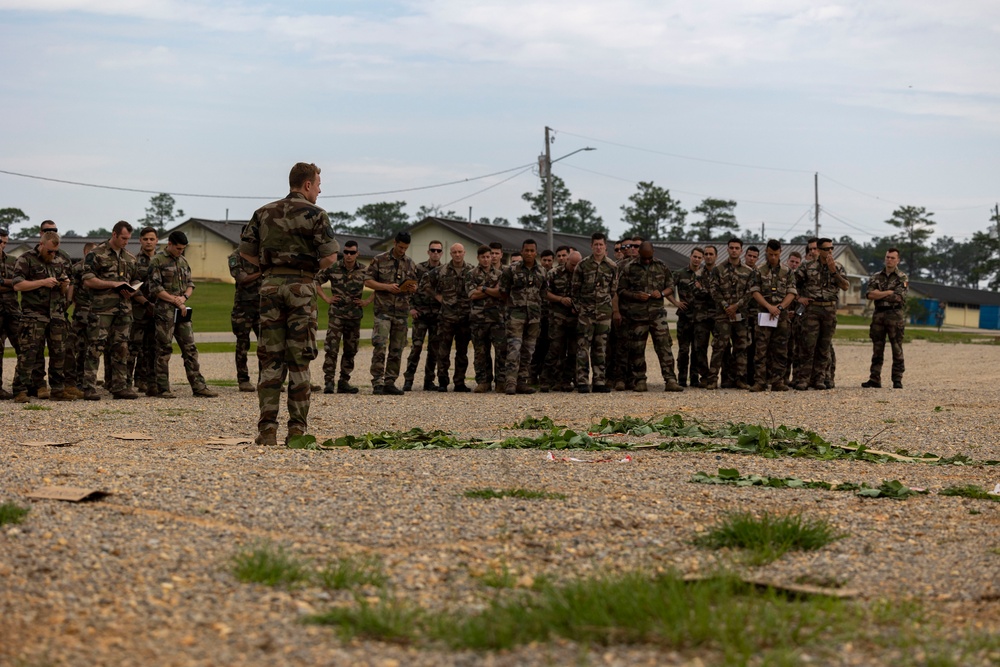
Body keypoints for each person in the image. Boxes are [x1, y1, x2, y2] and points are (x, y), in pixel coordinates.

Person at [239, 163, 338, 446]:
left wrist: (273, 266)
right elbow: (330, 258)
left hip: (269, 287)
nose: (320, 190)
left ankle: (267, 430)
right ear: (307, 184)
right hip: (302, 289)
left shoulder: (263, 212)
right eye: (318, 184)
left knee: (270, 360)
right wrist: (305, 269)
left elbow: (246, 253)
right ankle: (296, 430)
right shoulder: (317, 215)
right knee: (299, 360)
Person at [82, 221, 151, 400]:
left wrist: (133, 289)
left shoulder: (130, 258)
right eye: (123, 238)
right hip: (102, 309)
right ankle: (88, 387)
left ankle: (119, 386)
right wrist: (113, 284)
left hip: (124, 310)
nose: (126, 242)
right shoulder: (96, 254)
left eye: (128, 239)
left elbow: (136, 279)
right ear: (114, 235)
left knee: (121, 347)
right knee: (95, 347)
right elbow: (88, 280)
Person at [148, 231, 219, 400]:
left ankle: (198, 386)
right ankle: (163, 388)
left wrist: (184, 298)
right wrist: (175, 300)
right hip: (165, 312)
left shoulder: (183, 261)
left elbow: (190, 285)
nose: (181, 251)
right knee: (164, 349)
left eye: (183, 249)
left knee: (190, 348)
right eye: (178, 248)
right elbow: (155, 288)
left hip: (182, 311)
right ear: (170, 244)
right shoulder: (157, 261)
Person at [12, 231, 71, 402]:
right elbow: (17, 285)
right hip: (34, 315)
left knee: (59, 353)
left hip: (56, 315)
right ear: (42, 244)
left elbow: (63, 289)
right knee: (29, 354)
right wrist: (42, 282)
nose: (52, 255)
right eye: (49, 251)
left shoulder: (59, 261)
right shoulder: (26, 259)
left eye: (55, 251)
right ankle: (20, 389)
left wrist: (64, 285)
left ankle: (58, 389)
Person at [618, 241, 684, 392]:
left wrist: (660, 293)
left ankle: (670, 380)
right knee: (637, 348)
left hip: (657, 314)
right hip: (638, 315)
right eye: (644, 258)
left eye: (649, 258)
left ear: (653, 252)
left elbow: (670, 286)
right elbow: (621, 290)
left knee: (664, 347)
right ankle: (640, 380)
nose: (647, 261)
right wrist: (635, 295)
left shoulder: (661, 266)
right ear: (639, 253)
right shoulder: (629, 268)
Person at [793, 238, 849, 391]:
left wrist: (833, 272)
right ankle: (803, 379)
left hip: (829, 309)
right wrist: (799, 298)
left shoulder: (837, 267)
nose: (830, 251)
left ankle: (820, 379)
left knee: (824, 347)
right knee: (808, 345)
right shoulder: (807, 267)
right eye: (826, 249)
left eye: (831, 248)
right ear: (818, 250)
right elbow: (791, 284)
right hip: (812, 309)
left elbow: (845, 286)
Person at [365, 231, 417, 395]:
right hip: (383, 311)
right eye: (400, 247)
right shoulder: (379, 259)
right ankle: (377, 382)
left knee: (397, 348)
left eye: (405, 248)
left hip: (401, 312)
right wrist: (386, 287)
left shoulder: (410, 263)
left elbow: (414, 284)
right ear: (394, 243)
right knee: (380, 345)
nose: (402, 251)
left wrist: (413, 288)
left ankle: (390, 381)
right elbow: (367, 281)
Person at [317, 239, 370, 394]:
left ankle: (344, 381)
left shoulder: (364, 270)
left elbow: (378, 285)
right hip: (336, 316)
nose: (348, 255)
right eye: (346, 252)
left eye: (352, 252)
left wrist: (367, 301)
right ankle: (328, 382)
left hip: (354, 316)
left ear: (357, 254)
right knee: (331, 349)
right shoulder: (334, 268)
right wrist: (326, 298)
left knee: (350, 349)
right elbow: (316, 281)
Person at [703, 238, 754, 390]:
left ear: (741, 251)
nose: (734, 250)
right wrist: (726, 306)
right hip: (723, 315)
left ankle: (740, 379)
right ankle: (712, 380)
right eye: (731, 247)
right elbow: (714, 290)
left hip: (740, 315)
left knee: (741, 348)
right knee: (719, 347)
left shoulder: (748, 271)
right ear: (727, 249)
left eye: (737, 248)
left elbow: (750, 292)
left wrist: (736, 306)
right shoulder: (718, 270)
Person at [571, 232, 618, 393]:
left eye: (601, 245)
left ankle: (599, 381)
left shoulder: (612, 266)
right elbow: (575, 290)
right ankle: (582, 381)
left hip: (604, 313)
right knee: (583, 347)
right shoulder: (582, 265)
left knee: (601, 348)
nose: (598, 247)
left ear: (606, 247)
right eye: (595, 245)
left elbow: (612, 290)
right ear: (591, 246)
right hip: (586, 313)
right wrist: (580, 309)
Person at [498, 238, 545, 394]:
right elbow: (503, 292)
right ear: (522, 251)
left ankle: (522, 382)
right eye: (527, 250)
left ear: (536, 252)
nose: (529, 253)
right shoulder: (511, 270)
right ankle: (510, 382)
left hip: (534, 317)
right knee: (514, 349)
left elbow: (543, 293)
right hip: (515, 316)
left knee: (528, 350)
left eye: (532, 251)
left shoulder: (542, 271)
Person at [748, 240, 796, 392]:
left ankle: (778, 381)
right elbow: (755, 291)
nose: (773, 257)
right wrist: (768, 306)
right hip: (764, 313)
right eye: (770, 254)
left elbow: (792, 292)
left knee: (780, 349)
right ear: (766, 252)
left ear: (780, 252)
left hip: (780, 316)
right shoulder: (759, 270)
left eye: (775, 254)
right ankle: (760, 381)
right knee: (761, 349)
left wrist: (780, 307)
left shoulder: (787, 271)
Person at [430, 243, 473, 392]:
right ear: (450, 253)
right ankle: (442, 381)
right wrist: (438, 297)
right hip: (447, 317)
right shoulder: (441, 271)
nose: (457, 255)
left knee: (462, 352)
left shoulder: (472, 270)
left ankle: (459, 382)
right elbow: (425, 284)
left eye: (460, 252)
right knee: (443, 351)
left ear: (464, 252)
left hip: (465, 318)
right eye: (454, 252)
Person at [863, 248, 908, 389]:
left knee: (896, 348)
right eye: (887, 257)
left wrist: (879, 293)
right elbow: (869, 295)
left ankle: (897, 379)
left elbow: (899, 297)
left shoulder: (902, 277)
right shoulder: (876, 276)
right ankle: (874, 378)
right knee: (877, 348)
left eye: (892, 258)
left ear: (898, 260)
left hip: (895, 315)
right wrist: (888, 292)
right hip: (879, 315)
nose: (889, 260)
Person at [402, 240, 443, 391]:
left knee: (434, 350)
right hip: (420, 314)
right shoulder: (418, 268)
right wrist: (411, 308)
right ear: (428, 252)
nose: (435, 253)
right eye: (433, 250)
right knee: (416, 348)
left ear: (442, 253)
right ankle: (408, 379)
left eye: (438, 251)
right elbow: (408, 288)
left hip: (437, 316)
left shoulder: (444, 270)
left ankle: (429, 381)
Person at [466, 245, 505, 392]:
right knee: (481, 352)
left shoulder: (501, 274)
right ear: (478, 258)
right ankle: (483, 381)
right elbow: (472, 295)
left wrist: (482, 288)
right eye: (483, 257)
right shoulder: (471, 274)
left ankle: (501, 381)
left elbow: (501, 293)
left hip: (497, 318)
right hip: (478, 319)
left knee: (501, 351)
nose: (487, 259)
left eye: (489, 256)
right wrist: (492, 291)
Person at [125, 227, 159, 393]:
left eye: (152, 239)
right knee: (133, 348)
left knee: (152, 348)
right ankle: (125, 382)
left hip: (158, 311)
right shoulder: (134, 261)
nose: (148, 242)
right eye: (145, 239)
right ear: (140, 241)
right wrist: (146, 303)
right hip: (139, 310)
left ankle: (146, 380)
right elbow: (132, 287)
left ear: (156, 241)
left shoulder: (161, 260)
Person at [540, 249, 579, 392]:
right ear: (567, 260)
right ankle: (545, 380)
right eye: (572, 264)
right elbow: (544, 293)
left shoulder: (582, 274)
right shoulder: (554, 273)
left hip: (575, 319)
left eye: (577, 265)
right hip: (558, 317)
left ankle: (566, 380)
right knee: (555, 349)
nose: (574, 268)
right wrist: (561, 299)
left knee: (574, 351)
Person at [228, 244, 262, 392]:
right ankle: (243, 380)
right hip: (243, 307)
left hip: (262, 306)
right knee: (242, 344)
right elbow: (242, 278)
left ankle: (266, 380)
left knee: (266, 345)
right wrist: (262, 272)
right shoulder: (235, 257)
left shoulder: (262, 253)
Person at [673, 247, 704, 387]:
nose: (696, 259)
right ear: (690, 256)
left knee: (697, 349)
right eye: (695, 256)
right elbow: (667, 288)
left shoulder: (705, 275)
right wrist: (675, 302)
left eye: (699, 257)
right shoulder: (680, 273)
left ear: (702, 259)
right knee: (684, 349)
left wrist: (701, 287)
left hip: (699, 319)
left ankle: (694, 377)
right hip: (684, 317)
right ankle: (682, 377)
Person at [0, 230, 23, 399]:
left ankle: (21, 386)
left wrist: (5, 283)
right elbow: (14, 284)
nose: (3, 245)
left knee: (24, 348)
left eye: (5, 242)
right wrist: (11, 284)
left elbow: (19, 284)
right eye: (0, 241)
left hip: (13, 311)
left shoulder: (12, 261)